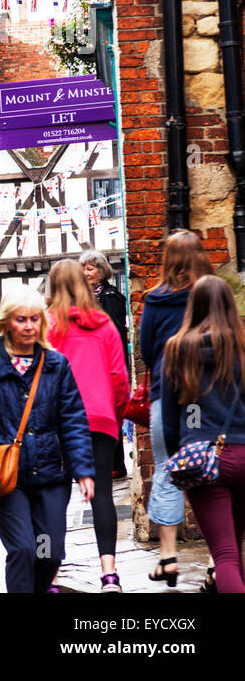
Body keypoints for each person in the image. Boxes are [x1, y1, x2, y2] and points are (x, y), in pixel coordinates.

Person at [0, 286, 96, 594]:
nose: (28, 326)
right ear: (8, 322)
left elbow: (73, 420)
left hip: (51, 475)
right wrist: (2, 444)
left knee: (47, 553)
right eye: (21, 319)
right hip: (9, 479)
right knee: (23, 549)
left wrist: (84, 470)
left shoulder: (56, 365)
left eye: (34, 319)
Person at [46, 260, 130, 592]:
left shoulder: (47, 326)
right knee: (103, 497)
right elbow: (119, 379)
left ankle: (51, 576)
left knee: (53, 497)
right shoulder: (106, 326)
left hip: (57, 421)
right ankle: (109, 574)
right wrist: (115, 414)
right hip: (99, 417)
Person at [138, 230, 214, 586]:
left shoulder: (154, 300)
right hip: (208, 399)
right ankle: (219, 559)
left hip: (165, 397)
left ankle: (168, 558)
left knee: (169, 472)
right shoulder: (212, 294)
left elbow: (147, 352)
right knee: (212, 475)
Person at [161, 275, 245, 594]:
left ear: (192, 307)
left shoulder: (177, 349)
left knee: (224, 555)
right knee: (233, 552)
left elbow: (170, 420)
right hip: (243, 453)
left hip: (204, 460)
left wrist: (177, 460)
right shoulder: (242, 348)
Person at [81, 249, 132, 479]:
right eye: (83, 268)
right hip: (91, 367)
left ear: (101, 272)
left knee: (108, 415)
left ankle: (115, 464)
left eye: (90, 268)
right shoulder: (84, 297)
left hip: (107, 366)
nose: (85, 272)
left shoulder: (110, 297)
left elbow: (116, 335)